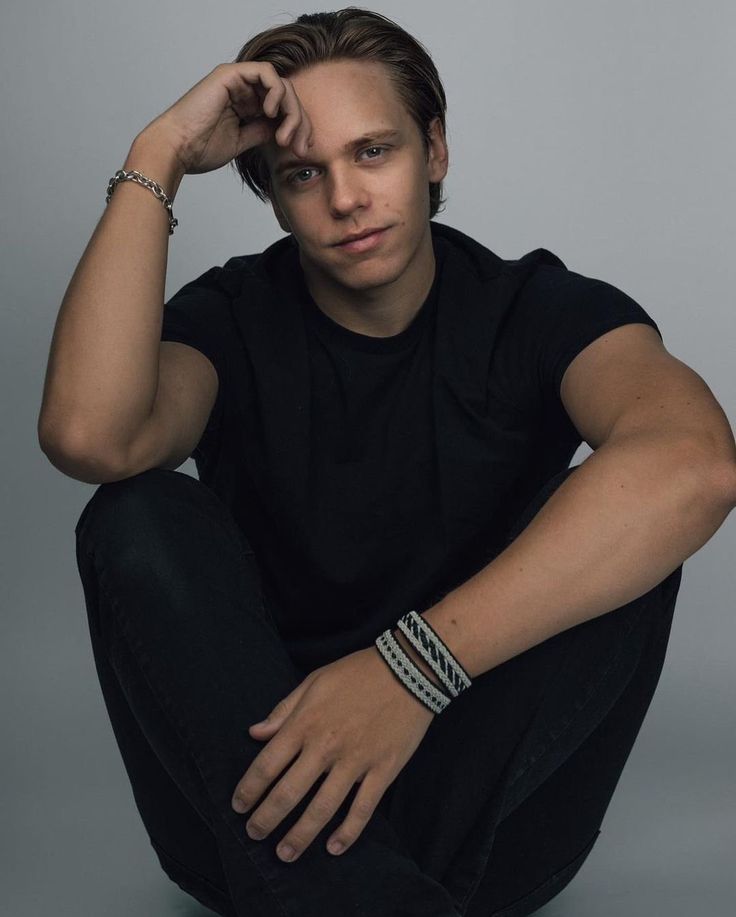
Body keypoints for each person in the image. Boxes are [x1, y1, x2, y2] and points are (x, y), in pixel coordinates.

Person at [38, 8, 736, 917]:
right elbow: (92, 436)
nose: (346, 199)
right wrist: (160, 150)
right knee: (133, 512)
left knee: (629, 526)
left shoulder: (538, 308)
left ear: (434, 150)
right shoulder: (232, 318)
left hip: (494, 816)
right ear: (275, 196)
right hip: (263, 806)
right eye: (303, 173)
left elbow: (699, 467)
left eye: (374, 152)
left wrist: (408, 672)